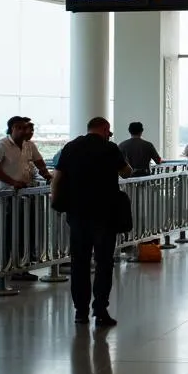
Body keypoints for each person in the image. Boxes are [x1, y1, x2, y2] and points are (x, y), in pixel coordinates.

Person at [51, 117, 132, 328]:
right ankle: (100, 309)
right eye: (109, 131)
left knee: (80, 263)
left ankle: (80, 311)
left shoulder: (70, 148)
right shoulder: (110, 148)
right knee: (104, 262)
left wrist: (56, 202)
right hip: (105, 214)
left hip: (77, 214)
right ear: (105, 129)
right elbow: (126, 171)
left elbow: (57, 178)